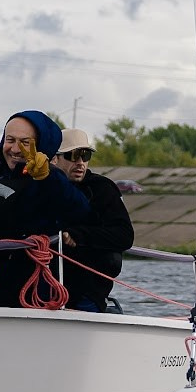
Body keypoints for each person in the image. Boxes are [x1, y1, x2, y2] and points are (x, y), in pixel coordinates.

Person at [0, 110, 89, 308]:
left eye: (25, 142)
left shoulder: (52, 176)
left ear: (41, 145)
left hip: (36, 284)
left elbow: (79, 209)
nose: (15, 148)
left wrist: (47, 178)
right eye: (10, 139)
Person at [53, 128, 134, 313]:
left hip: (87, 293)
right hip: (42, 288)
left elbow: (124, 235)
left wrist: (79, 235)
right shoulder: (41, 186)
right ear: (54, 158)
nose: (80, 163)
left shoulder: (102, 189)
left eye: (85, 155)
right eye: (72, 155)